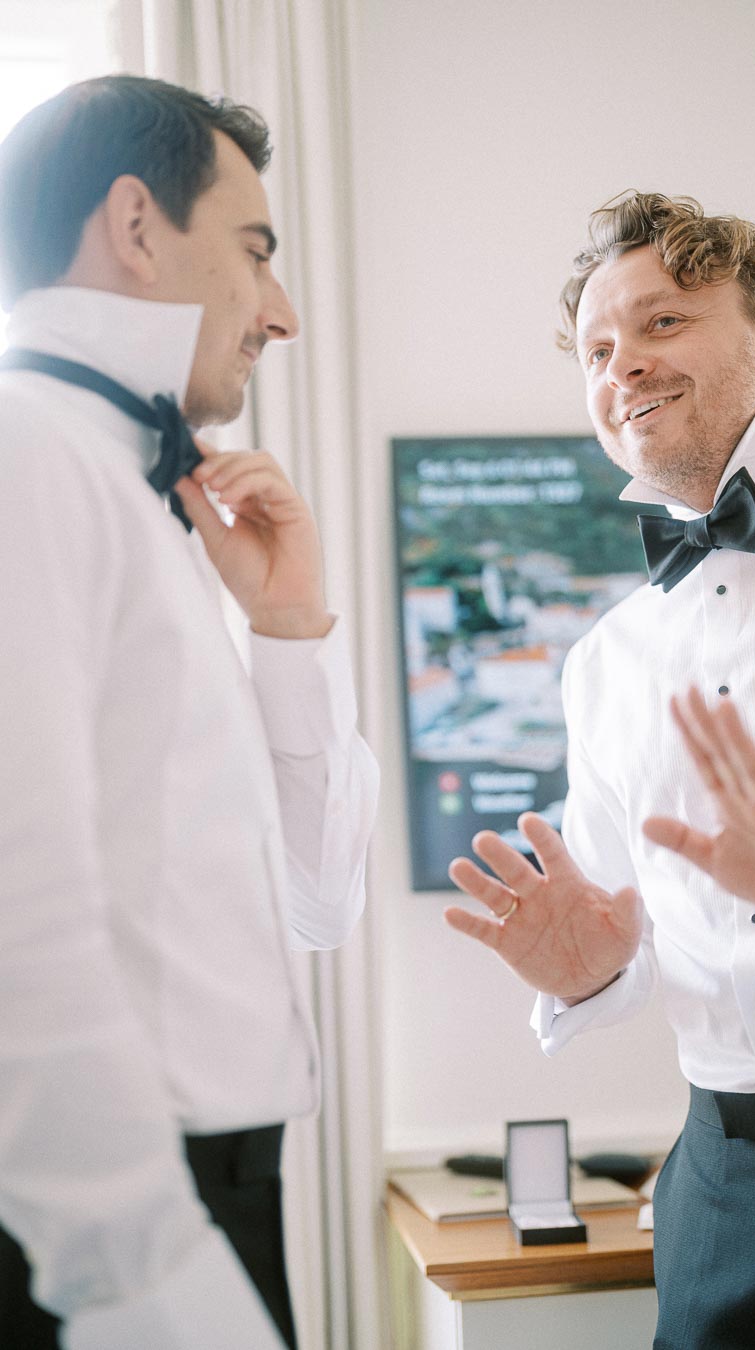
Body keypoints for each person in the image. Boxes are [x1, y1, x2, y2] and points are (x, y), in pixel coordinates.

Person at [445, 191, 755, 1349]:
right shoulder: (604, 661)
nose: (624, 367)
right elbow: (628, 932)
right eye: (597, 351)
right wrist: (593, 969)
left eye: (661, 323)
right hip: (714, 1190)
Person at [0, 75, 378, 1350]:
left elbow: (317, 906)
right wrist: (144, 1275)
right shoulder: (25, 457)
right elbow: (14, 907)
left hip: (214, 1188)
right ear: (135, 225)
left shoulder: (145, 495)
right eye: (257, 250)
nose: (282, 312)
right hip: (117, 1228)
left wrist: (289, 630)